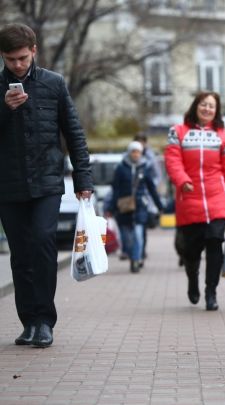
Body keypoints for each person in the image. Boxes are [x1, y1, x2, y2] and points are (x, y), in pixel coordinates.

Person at [0, 23, 93, 347]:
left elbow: (74, 132)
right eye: (10, 59)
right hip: (8, 184)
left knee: (42, 243)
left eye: (22, 58)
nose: (17, 65)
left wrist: (83, 179)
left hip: (47, 181)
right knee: (20, 254)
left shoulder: (53, 83)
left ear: (34, 51)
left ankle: (44, 321)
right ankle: (28, 322)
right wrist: (4, 109)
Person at [165, 91, 225, 311]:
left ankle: (211, 292)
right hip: (189, 199)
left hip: (218, 199)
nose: (207, 109)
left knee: (215, 245)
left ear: (216, 110)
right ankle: (192, 279)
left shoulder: (224, 135)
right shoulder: (177, 132)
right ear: (196, 106)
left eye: (211, 106)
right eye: (204, 104)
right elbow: (172, 160)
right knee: (191, 250)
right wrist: (182, 180)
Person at [108, 141, 163, 273]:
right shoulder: (121, 168)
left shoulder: (144, 168)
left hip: (140, 207)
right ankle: (132, 255)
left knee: (138, 234)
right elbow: (115, 189)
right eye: (133, 151)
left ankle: (136, 260)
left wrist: (159, 205)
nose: (136, 154)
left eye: (138, 152)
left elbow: (152, 188)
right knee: (126, 237)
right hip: (124, 207)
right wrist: (111, 206)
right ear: (129, 152)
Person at [133, 133, 162, 259]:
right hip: (130, 197)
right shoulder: (129, 155)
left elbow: (157, 175)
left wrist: (149, 186)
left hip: (145, 196)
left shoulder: (150, 158)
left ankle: (141, 251)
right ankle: (132, 251)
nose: (140, 144)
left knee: (142, 224)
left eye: (142, 142)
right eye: (138, 141)